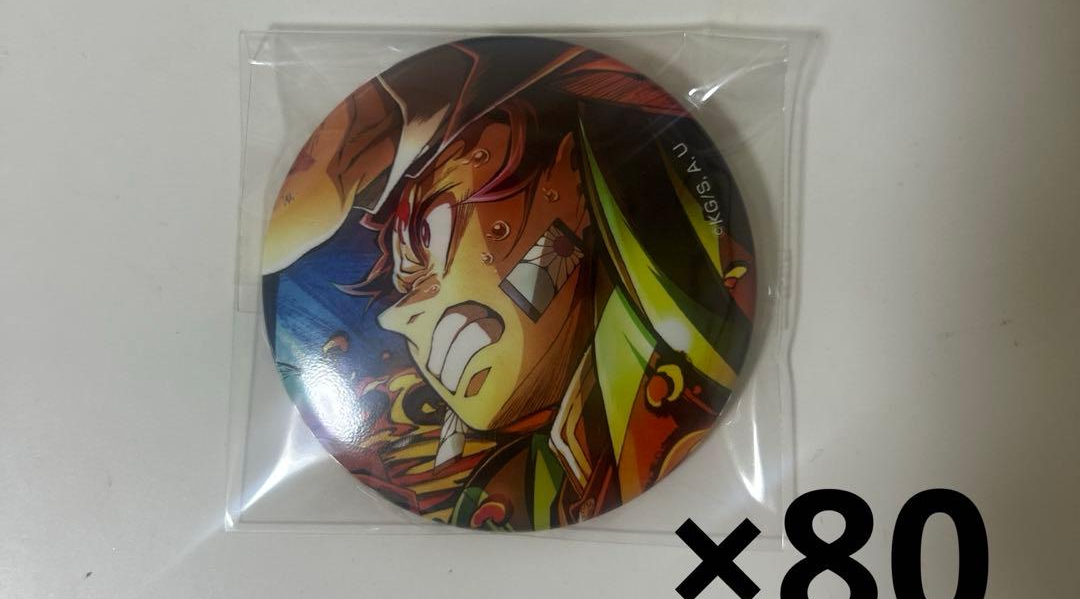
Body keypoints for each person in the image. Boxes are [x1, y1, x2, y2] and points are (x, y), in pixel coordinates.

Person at [263, 36, 754, 530]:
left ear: (569, 172)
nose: (395, 317)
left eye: (430, 240)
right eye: (410, 281)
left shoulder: (688, 341)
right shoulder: (523, 484)